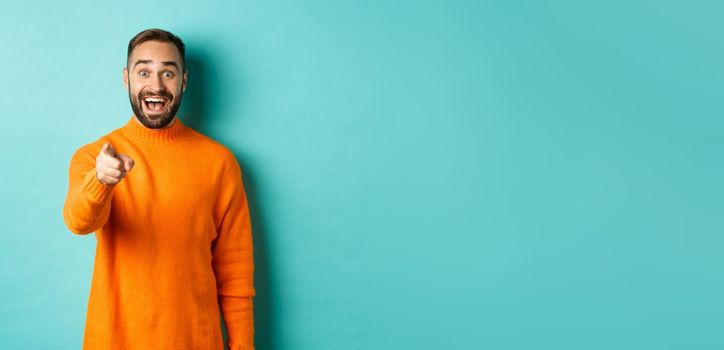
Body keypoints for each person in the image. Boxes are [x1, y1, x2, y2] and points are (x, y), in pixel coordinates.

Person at [62, 28, 255, 350]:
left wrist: (243, 345)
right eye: (144, 71)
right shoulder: (95, 157)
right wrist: (102, 180)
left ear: (184, 81)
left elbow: (235, 269)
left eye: (168, 72)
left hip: (197, 341)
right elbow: (79, 222)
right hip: (115, 341)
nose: (156, 85)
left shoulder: (218, 162)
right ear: (127, 78)